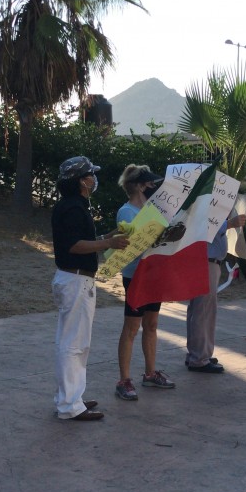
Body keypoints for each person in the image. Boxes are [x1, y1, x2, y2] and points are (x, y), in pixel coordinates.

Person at [51, 156, 129, 420]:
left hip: (75, 279)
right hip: (75, 280)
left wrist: (107, 237)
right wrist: (108, 244)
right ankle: (70, 405)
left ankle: (71, 398)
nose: (93, 179)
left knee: (75, 343)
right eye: (90, 175)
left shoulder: (73, 206)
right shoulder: (73, 208)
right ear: (81, 181)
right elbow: (74, 245)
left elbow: (81, 240)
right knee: (74, 344)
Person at [114, 164, 175, 400]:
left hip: (154, 274)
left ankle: (150, 373)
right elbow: (131, 246)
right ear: (139, 186)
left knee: (151, 325)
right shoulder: (127, 212)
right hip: (136, 276)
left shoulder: (155, 210)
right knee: (131, 327)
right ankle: (124, 380)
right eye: (149, 183)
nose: (153, 187)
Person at [184, 212, 246, 373]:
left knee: (198, 309)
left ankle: (197, 352)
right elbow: (201, 227)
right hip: (205, 261)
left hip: (206, 261)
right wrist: (228, 224)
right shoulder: (203, 201)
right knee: (203, 310)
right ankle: (199, 358)